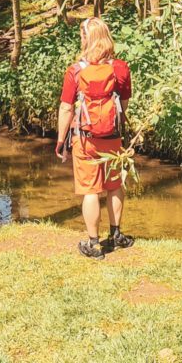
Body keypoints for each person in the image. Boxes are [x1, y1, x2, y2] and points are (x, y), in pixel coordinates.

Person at [55, 16, 134, 258]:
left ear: (87, 39)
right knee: (114, 186)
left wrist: (61, 141)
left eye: (82, 35)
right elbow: (125, 102)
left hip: (85, 138)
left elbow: (66, 108)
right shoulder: (120, 68)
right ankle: (116, 234)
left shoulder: (75, 71)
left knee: (91, 190)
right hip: (112, 137)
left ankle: (94, 243)